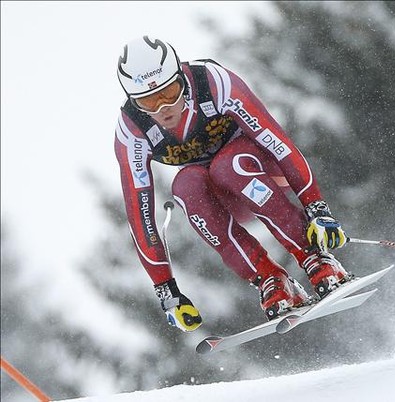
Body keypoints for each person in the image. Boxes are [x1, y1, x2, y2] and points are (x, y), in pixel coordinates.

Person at [114, 36, 351, 332]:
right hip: (222, 197)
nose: (164, 108)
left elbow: (279, 144)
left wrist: (318, 208)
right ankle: (270, 278)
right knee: (184, 187)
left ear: (182, 81)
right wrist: (167, 291)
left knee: (229, 165)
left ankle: (315, 258)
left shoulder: (213, 83)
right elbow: (141, 217)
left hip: (261, 171)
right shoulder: (132, 130)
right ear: (133, 101)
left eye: (170, 92)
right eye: (149, 101)